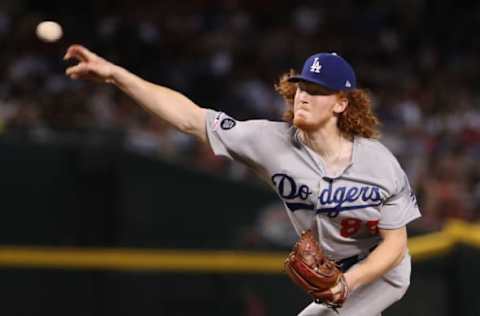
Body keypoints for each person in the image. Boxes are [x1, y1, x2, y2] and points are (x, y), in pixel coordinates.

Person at [64, 45, 421, 316]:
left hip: (380, 271)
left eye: (318, 90)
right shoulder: (268, 141)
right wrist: (116, 75)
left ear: (342, 104)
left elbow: (395, 245)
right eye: (301, 86)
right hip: (336, 275)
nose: (304, 95)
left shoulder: (378, 163)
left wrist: (349, 282)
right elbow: (190, 118)